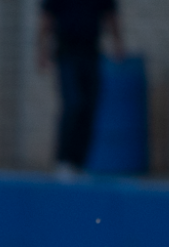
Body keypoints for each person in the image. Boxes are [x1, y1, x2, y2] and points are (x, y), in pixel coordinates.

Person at [39, 0, 123, 177]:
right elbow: (47, 19)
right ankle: (63, 160)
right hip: (67, 54)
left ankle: (79, 162)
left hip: (91, 54)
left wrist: (118, 43)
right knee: (73, 104)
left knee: (89, 107)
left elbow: (110, 15)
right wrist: (42, 51)